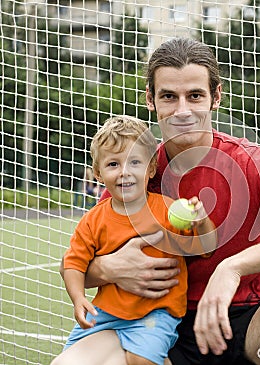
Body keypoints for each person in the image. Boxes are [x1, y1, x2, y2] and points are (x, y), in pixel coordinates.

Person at [59, 38, 260, 365]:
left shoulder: (254, 163)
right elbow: (77, 260)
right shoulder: (135, 171)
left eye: (194, 96)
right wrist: (106, 268)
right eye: (169, 96)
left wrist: (233, 267)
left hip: (255, 326)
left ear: (216, 97)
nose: (182, 111)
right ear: (151, 100)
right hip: (158, 325)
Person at [52, 115, 217, 365]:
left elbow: (206, 247)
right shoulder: (93, 220)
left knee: (141, 360)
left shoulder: (168, 211)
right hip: (106, 313)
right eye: (113, 164)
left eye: (135, 162)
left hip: (156, 312)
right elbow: (73, 263)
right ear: (98, 173)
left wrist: (201, 220)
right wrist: (78, 298)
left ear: (151, 168)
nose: (124, 172)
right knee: (67, 360)